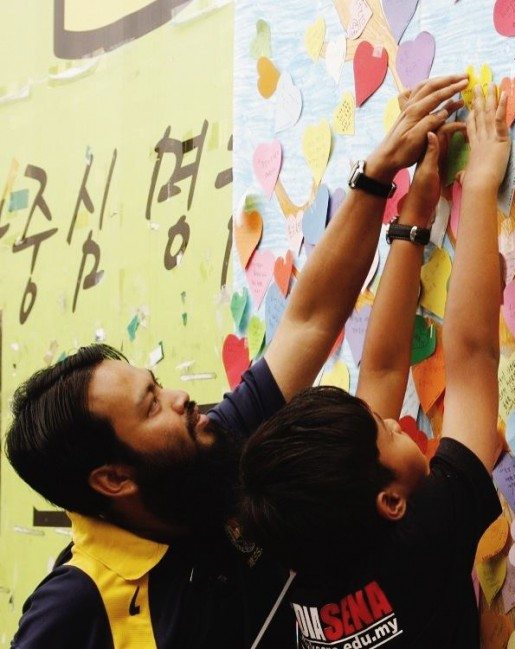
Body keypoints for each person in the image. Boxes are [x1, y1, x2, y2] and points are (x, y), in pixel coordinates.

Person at [5, 74, 469, 649]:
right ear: (113, 478)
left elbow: (311, 321)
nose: (181, 398)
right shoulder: (76, 608)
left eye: (157, 386)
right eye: (150, 407)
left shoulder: (217, 446)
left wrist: (377, 178)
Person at [237, 84, 509, 649]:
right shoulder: (426, 534)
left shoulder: (308, 565)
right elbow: (472, 356)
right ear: (391, 503)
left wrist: (414, 221)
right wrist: (480, 186)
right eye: (386, 431)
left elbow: (382, 371)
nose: (393, 420)